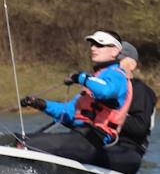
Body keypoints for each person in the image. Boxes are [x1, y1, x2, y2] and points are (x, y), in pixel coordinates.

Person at [11, 30, 133, 166]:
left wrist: (80, 77)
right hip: (78, 136)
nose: (93, 48)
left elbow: (105, 91)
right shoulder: (95, 79)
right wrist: (40, 104)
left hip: (92, 140)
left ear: (115, 51)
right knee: (9, 140)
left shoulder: (118, 76)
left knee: (26, 145)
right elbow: (68, 112)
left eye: (99, 45)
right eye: (92, 44)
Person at [97, 41, 157, 174]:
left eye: (117, 62)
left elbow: (139, 127)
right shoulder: (101, 88)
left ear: (132, 65)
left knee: (90, 154)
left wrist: (107, 114)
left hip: (128, 150)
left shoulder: (140, 91)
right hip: (99, 144)